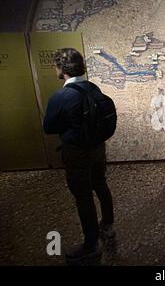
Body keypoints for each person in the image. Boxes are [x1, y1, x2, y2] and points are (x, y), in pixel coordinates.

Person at [43, 48, 115, 264]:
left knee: (83, 195)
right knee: (100, 184)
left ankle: (91, 244)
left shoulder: (62, 96)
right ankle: (108, 225)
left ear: (61, 70)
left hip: (76, 152)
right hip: (98, 148)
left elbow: (48, 127)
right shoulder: (93, 88)